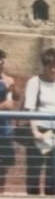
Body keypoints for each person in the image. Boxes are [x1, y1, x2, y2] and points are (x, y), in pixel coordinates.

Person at [23, 47, 55, 196]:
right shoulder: (35, 82)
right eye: (50, 67)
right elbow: (30, 108)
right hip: (41, 129)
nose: (53, 70)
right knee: (36, 166)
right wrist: (35, 132)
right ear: (44, 66)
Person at [0, 49, 21, 191]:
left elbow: (17, 98)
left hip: (4, 128)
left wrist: (13, 87)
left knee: (4, 163)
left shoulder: (6, 79)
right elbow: (6, 105)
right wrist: (3, 106)